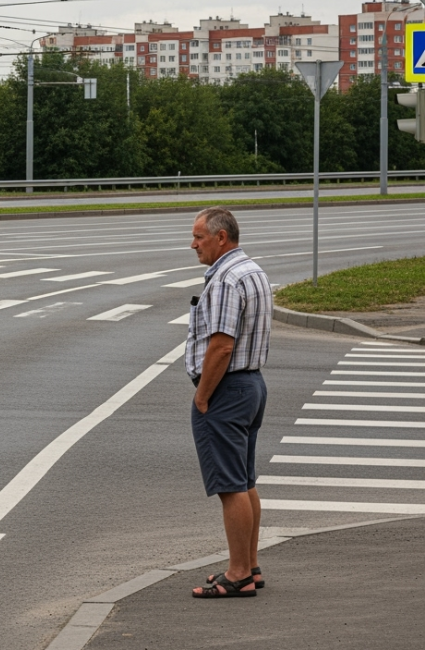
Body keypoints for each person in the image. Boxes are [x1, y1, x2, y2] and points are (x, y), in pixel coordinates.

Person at [185, 207, 273, 599]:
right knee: (246, 481)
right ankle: (250, 565)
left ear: (221, 238)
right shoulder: (253, 271)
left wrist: (202, 395)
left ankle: (237, 574)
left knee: (230, 486)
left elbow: (221, 345)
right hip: (252, 384)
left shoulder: (224, 280)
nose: (193, 244)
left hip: (227, 389)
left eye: (199, 237)